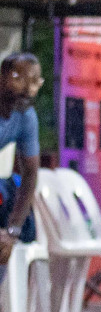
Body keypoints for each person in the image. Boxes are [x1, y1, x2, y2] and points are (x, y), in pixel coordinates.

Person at [0, 54, 44, 273]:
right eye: (20, 79)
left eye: (35, 81)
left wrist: (12, 231)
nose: (29, 89)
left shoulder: (25, 116)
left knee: (11, 197)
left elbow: (29, 177)